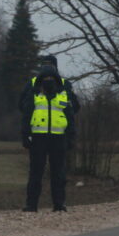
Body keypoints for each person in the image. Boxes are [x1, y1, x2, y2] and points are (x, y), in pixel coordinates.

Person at [21, 64, 75, 212]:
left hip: (59, 139)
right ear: (40, 80)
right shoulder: (34, 96)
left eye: (51, 78)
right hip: (38, 139)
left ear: (57, 80)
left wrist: (71, 137)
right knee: (35, 173)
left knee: (58, 173)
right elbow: (26, 117)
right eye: (45, 78)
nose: (48, 81)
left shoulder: (64, 97)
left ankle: (59, 204)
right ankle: (31, 205)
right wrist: (25, 136)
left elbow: (70, 118)